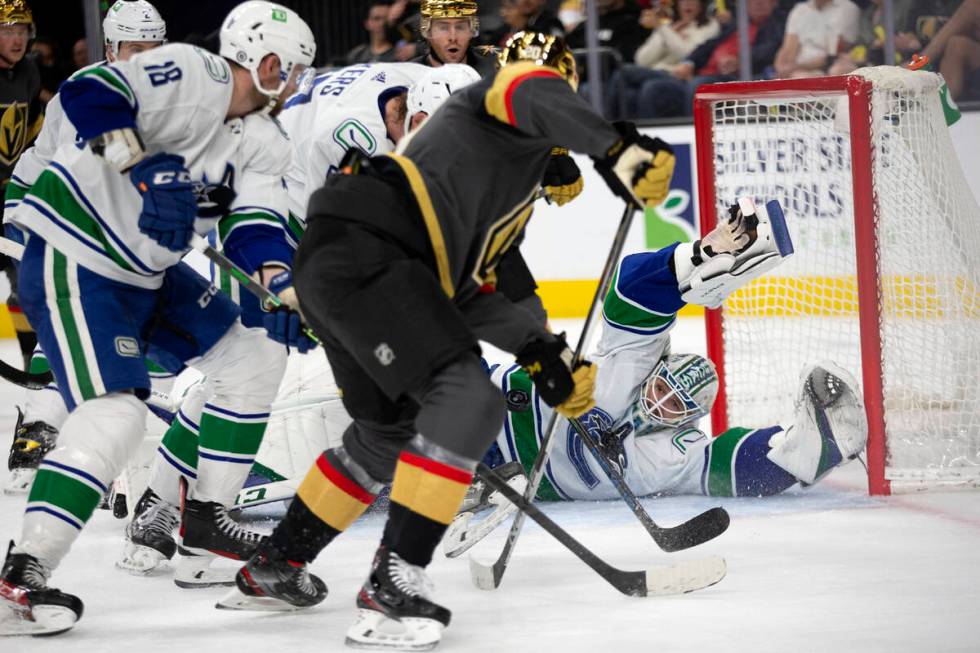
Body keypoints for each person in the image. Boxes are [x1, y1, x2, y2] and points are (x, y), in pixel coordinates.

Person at [218, 30, 675, 651]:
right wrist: (617, 150)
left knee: (385, 436)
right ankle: (390, 586)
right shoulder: (491, 103)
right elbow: (528, 86)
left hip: (345, 262)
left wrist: (542, 352)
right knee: (470, 400)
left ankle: (276, 562)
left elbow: (467, 291)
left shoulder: (499, 190)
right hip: (369, 252)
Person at [0, 0, 315, 636]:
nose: (298, 83)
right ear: (266, 59)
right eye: (294, 67)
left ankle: (203, 520)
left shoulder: (263, 141)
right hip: (75, 252)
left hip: (148, 275)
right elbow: (90, 92)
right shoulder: (192, 73)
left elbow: (253, 227)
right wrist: (147, 166)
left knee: (254, 355)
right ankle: (22, 573)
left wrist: (277, 287)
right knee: (117, 412)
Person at [477, 200, 867, 505]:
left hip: (507, 478)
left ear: (689, 421)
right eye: (661, 387)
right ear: (656, 372)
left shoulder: (676, 453)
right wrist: (702, 253)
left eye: (674, 406)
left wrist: (807, 449)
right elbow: (630, 289)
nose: (658, 402)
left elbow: (734, 465)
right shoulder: (631, 367)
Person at [3, 0, 169, 497]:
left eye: (152, 48)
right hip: (72, 224)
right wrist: (13, 215)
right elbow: (52, 162)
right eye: (133, 49)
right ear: (113, 47)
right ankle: (39, 432)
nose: (143, 58)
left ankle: (69, 435)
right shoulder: (83, 94)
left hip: (130, 230)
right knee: (83, 326)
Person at [631, 0, 785, 118]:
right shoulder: (736, 25)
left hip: (731, 78)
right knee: (652, 87)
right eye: (751, 0)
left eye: (763, 0)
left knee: (698, 86)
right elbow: (707, 46)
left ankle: (694, 134)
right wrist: (689, 62)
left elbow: (771, 48)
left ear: (775, 3)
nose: (757, 3)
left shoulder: (776, 25)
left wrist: (739, 60)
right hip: (697, 74)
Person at [0, 0, 42, 376]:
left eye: (21, 30)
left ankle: (32, 362)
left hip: (11, 201)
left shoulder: (28, 72)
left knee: (27, 283)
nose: (16, 39)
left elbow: (33, 132)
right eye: (6, 30)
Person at [607, 0, 720, 118]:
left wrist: (665, 31)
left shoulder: (710, 26)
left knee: (627, 71)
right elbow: (642, 59)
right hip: (655, 72)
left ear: (701, 5)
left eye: (693, 1)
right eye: (683, 1)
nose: (687, 4)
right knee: (629, 89)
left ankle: (607, 123)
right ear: (677, 5)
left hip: (679, 75)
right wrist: (666, 36)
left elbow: (687, 55)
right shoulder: (668, 26)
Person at [773, 0, 860, 79]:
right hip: (798, 69)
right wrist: (782, 68)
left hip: (826, 68)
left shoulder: (847, 9)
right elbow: (788, 49)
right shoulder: (799, 10)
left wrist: (798, 67)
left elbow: (833, 55)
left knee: (800, 76)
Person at [412, 0, 496, 77]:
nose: (453, 37)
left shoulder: (494, 71)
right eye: (443, 28)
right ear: (427, 32)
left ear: (472, 31)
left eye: (460, 27)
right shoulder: (409, 77)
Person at [347, 1, 399, 65]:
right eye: (377, 18)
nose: (382, 24)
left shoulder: (400, 55)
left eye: (387, 19)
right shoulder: (357, 54)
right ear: (367, 23)